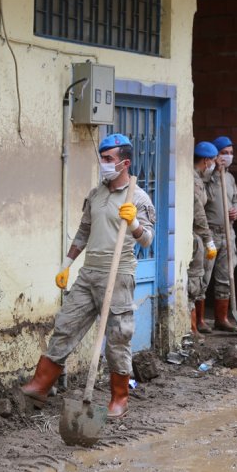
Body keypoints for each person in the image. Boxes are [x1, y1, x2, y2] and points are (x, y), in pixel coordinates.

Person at [20, 133, 155, 419]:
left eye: (109, 159)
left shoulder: (139, 197)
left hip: (118, 274)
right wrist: (66, 264)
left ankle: (119, 398)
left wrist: (133, 223)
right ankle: (40, 386)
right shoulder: (96, 194)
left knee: (118, 338)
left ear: (125, 163)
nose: (103, 164)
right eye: (102, 158)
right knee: (66, 324)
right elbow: (83, 231)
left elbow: (147, 241)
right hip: (89, 272)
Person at [199, 136, 237, 333]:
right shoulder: (206, 178)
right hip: (210, 233)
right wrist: (214, 171)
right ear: (215, 156)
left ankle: (222, 318)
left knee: (226, 276)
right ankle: (199, 320)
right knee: (204, 276)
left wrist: (236, 210)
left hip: (228, 232)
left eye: (231, 153)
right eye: (224, 153)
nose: (228, 156)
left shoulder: (230, 178)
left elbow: (235, 201)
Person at [189, 142, 218, 343]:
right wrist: (208, 240)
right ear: (207, 160)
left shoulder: (199, 178)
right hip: (193, 237)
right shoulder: (194, 181)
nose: (214, 165)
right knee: (194, 280)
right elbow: (198, 214)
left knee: (197, 280)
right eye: (214, 161)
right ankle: (191, 329)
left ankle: (194, 326)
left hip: (195, 234)